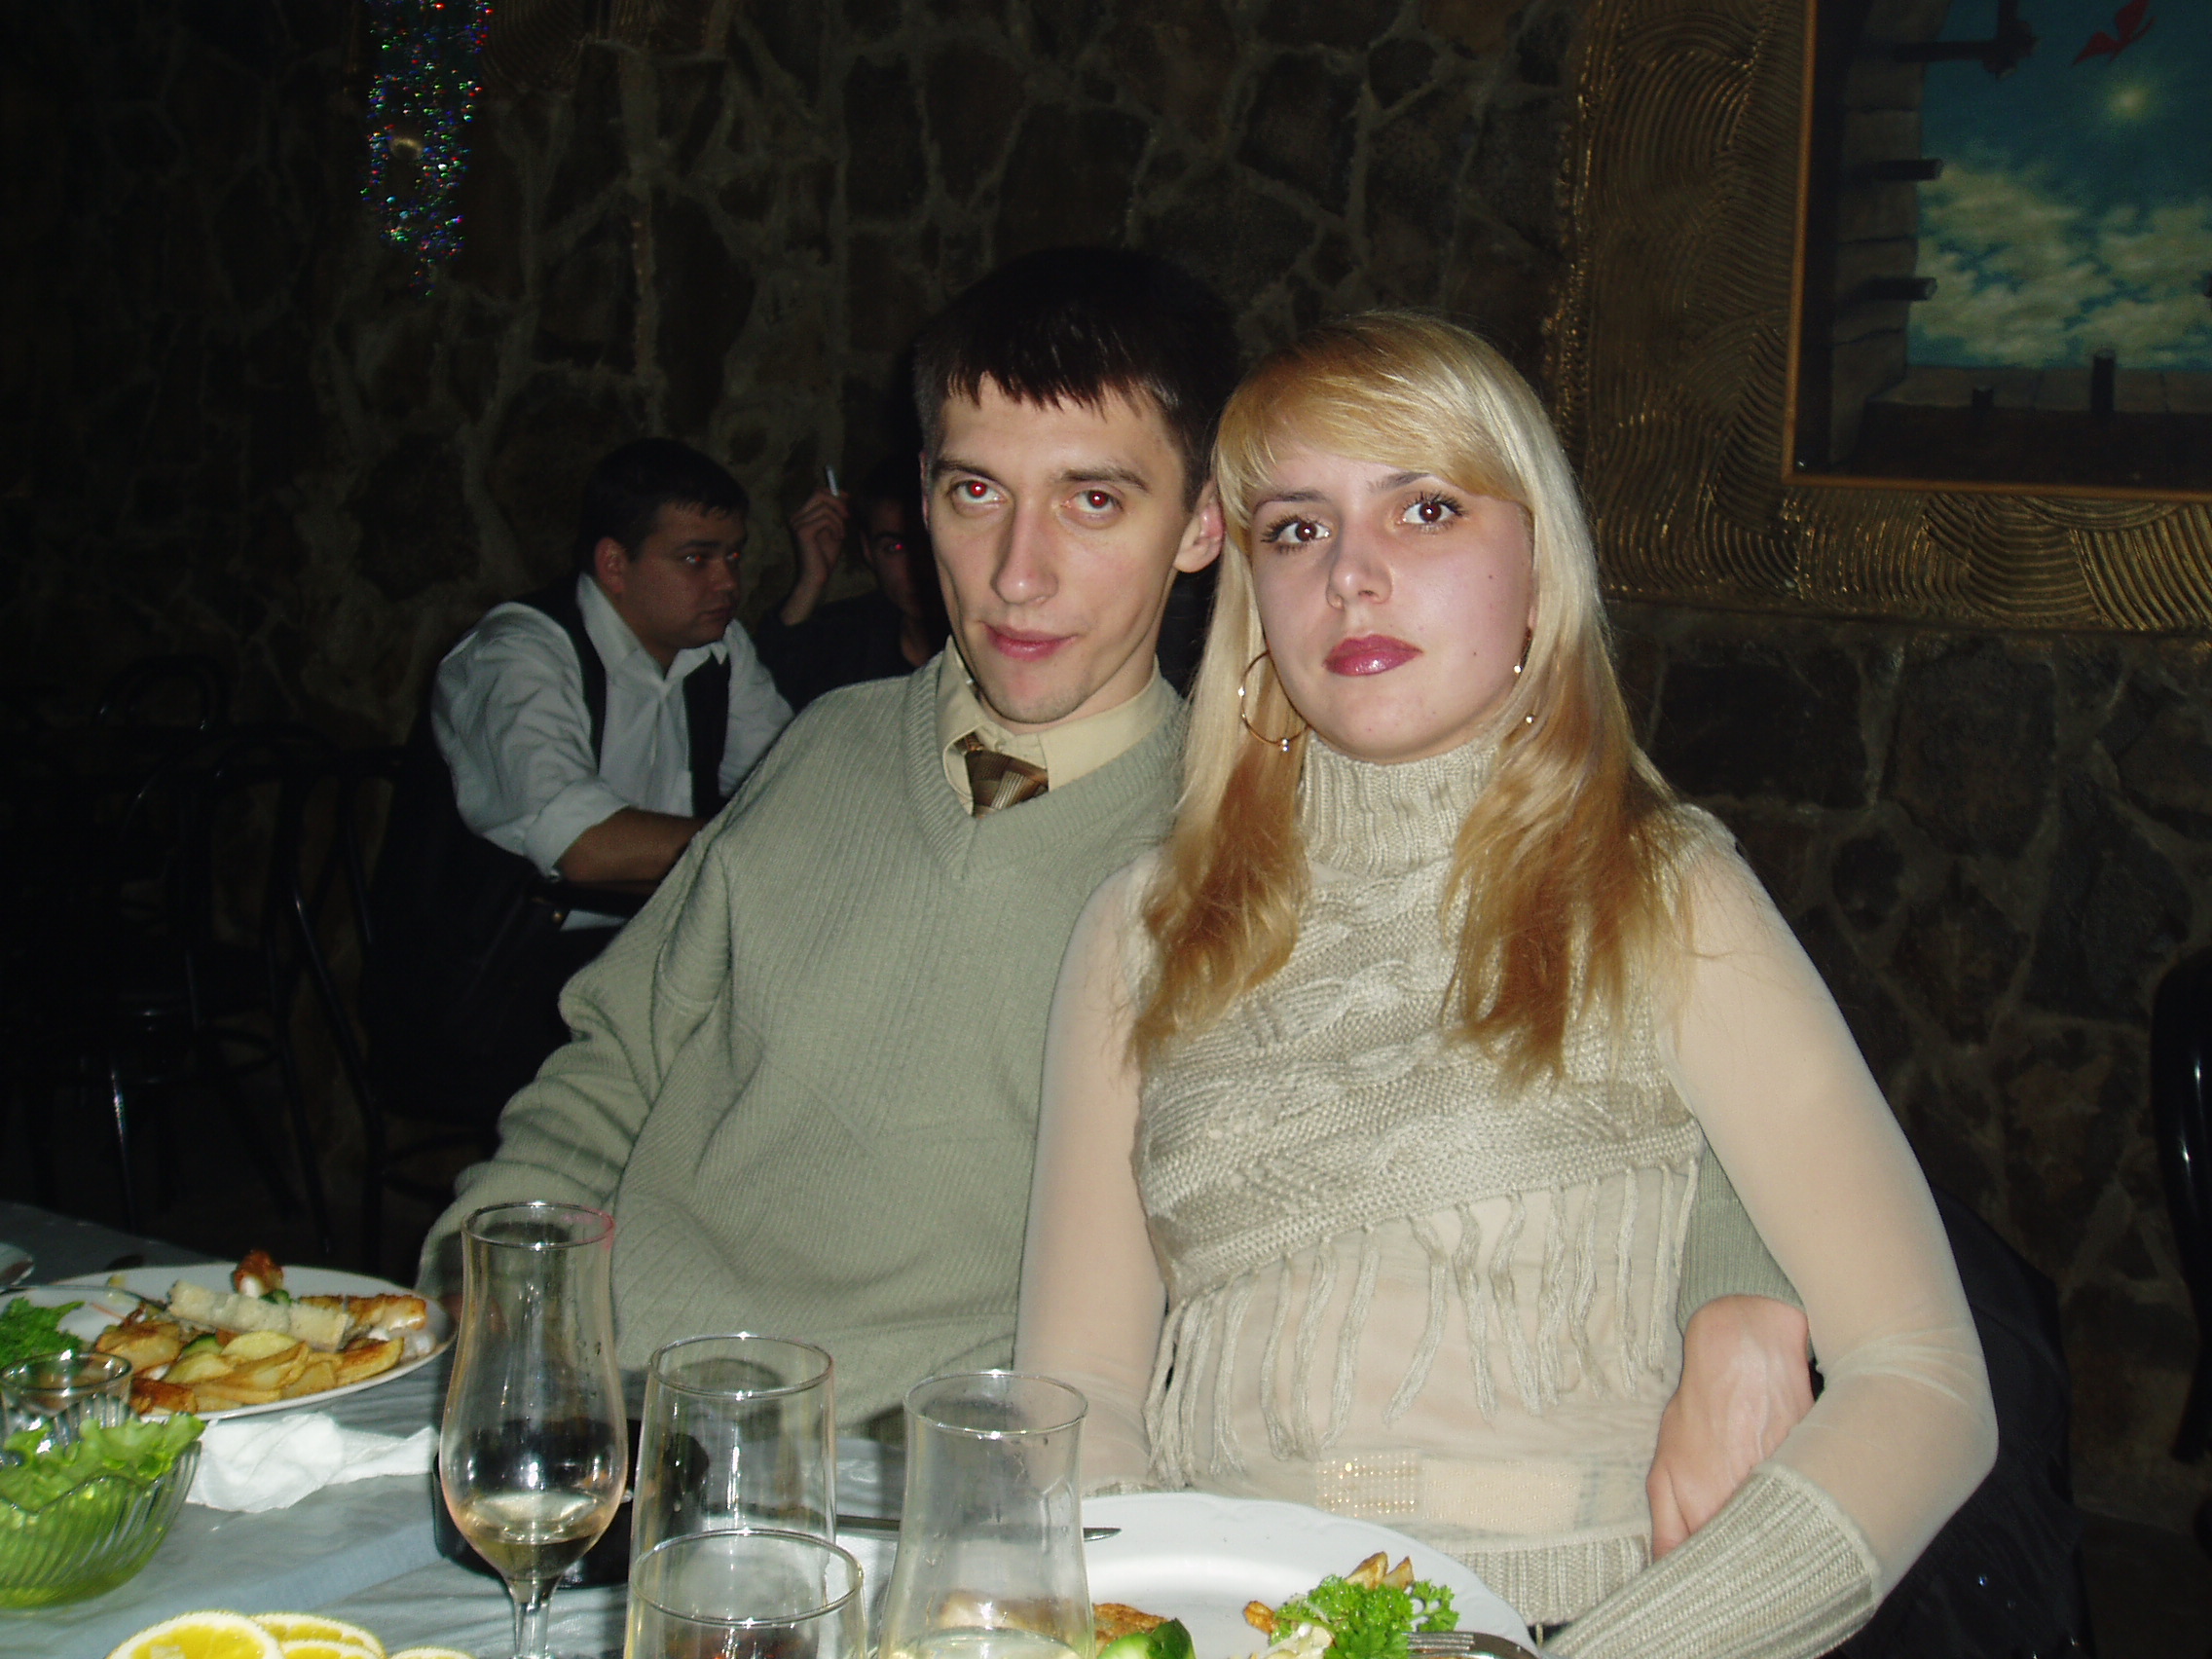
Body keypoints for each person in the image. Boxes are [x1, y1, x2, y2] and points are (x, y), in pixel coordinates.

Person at [414, 254, 1812, 1473]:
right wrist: (493, 1286)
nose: (1017, 573)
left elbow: (1620, 1023)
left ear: (1202, 527)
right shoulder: (825, 747)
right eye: (975, 492)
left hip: (902, 1478)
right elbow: (614, 1062)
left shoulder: (1254, 848)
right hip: (598, 1408)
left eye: (1092, 500)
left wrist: (1739, 1292)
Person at [1014, 313, 1995, 1656]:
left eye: (1425, 509)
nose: (1351, 576)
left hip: (1574, 1617)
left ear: (1539, 577)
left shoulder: (1658, 891)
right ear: (1251, 600)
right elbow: (1075, 1395)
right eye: (1296, 529)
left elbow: (1924, 1380)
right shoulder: (1143, 930)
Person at [366, 440, 791, 1124]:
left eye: (734, 556)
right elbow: (586, 846)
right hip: (493, 986)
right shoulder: (514, 653)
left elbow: (789, 782)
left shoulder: (719, 648)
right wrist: (771, 844)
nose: (727, 583)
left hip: (632, 961)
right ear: (614, 564)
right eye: (697, 558)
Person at [756, 455, 947, 710]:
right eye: (895, 548)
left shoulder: (992, 642)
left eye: (930, 544)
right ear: (868, 551)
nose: (918, 567)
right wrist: (811, 581)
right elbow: (763, 697)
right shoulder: (849, 640)